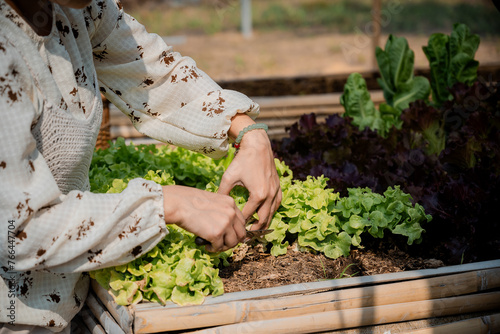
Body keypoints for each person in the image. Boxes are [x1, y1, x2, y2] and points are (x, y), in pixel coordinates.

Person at [0, 0, 282, 332]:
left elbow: (153, 72)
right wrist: (167, 204)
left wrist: (247, 132)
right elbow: (17, 230)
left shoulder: (80, 8)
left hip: (67, 303)